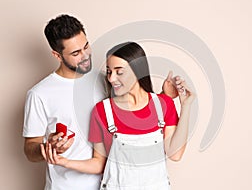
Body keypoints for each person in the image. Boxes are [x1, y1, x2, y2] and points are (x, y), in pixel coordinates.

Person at [23, 15, 183, 190]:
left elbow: (136, 113)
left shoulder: (105, 80)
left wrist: (164, 97)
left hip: (112, 183)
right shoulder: (40, 94)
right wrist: (48, 148)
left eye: (86, 46)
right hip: (67, 186)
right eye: (76, 53)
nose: (85, 56)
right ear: (57, 55)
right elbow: (30, 149)